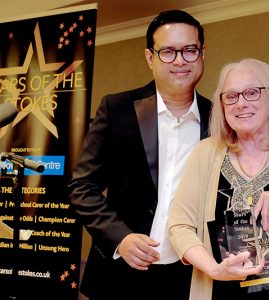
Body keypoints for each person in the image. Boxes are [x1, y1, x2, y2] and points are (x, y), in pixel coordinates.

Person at [67, 10, 212, 300]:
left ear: (202, 54)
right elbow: (82, 188)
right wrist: (121, 238)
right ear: (150, 58)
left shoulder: (218, 118)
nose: (180, 60)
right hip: (120, 273)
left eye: (190, 50)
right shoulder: (117, 108)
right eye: (168, 52)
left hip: (192, 275)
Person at [168, 58, 269, 300]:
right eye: (231, 96)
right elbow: (179, 226)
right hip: (218, 292)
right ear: (222, 105)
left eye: (251, 93)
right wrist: (214, 269)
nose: (241, 104)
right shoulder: (205, 153)